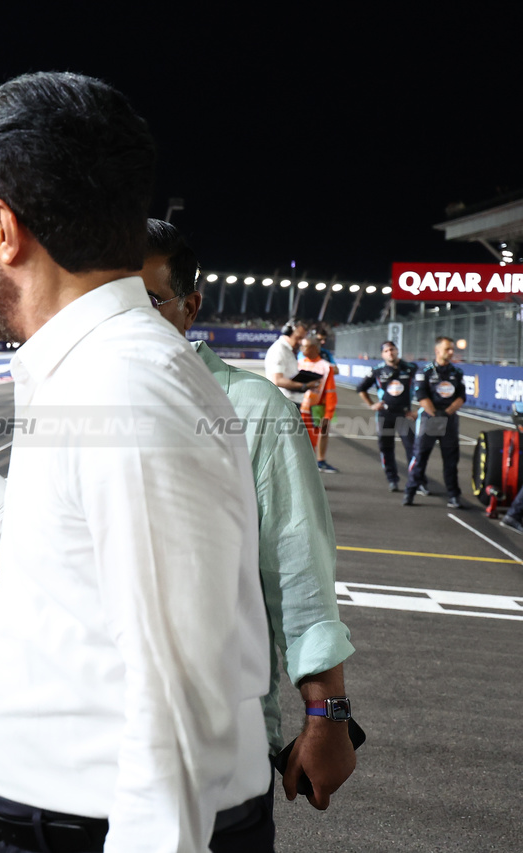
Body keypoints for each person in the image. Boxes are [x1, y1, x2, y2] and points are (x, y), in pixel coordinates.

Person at [0, 72, 270, 852]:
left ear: (4, 227)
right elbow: (63, 569)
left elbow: (179, 705)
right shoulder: (96, 368)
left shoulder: (124, 386)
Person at [139, 218, 357, 850]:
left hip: (215, 754)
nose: (125, 319)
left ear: (190, 308)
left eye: (147, 301)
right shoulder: (80, 401)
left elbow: (299, 575)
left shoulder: (255, 410)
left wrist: (327, 715)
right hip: (86, 751)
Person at [404, 336, 467, 508]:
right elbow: (421, 396)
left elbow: (462, 397)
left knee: (451, 461)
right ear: (437, 351)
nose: (451, 352)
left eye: (452, 349)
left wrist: (446, 413)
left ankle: (454, 495)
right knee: (420, 457)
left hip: (450, 420)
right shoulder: (424, 372)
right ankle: (410, 491)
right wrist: (435, 413)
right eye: (447, 349)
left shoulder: (457, 372)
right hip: (429, 419)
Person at [357, 341, 417, 491]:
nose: (390, 353)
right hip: (385, 414)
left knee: (412, 449)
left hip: (405, 415)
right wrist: (372, 404)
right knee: (386, 448)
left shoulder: (410, 368)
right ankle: (392, 479)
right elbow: (361, 388)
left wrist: (418, 411)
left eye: (392, 349)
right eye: (386, 351)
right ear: (382, 354)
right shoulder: (377, 370)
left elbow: (425, 387)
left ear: (397, 351)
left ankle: (416, 480)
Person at [299, 334, 338, 473]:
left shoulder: (326, 367)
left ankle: (320, 461)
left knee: (321, 434)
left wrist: (328, 414)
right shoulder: (299, 363)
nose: (302, 348)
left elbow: (331, 392)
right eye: (301, 345)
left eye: (305, 346)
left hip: (317, 407)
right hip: (299, 407)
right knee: (302, 441)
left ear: (315, 348)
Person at [265, 318, 316, 402]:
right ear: (288, 332)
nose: (300, 342)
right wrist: (304, 386)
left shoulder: (288, 350)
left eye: (302, 338)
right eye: (298, 338)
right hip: (283, 403)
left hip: (289, 401)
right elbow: (277, 380)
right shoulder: (279, 350)